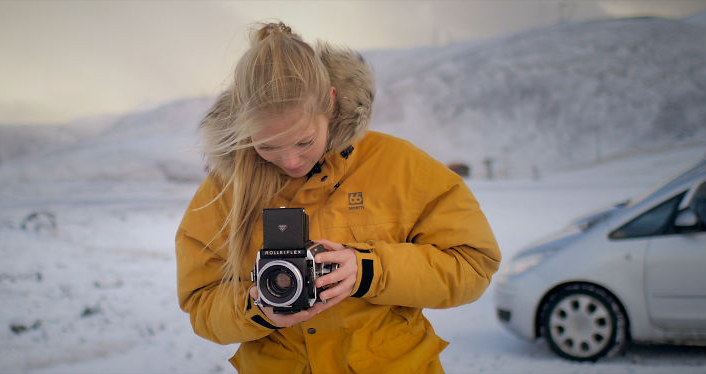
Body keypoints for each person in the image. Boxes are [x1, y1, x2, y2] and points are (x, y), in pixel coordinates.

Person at [176, 21, 500, 373]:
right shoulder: (224, 190)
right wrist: (258, 309)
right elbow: (202, 303)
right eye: (267, 146)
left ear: (329, 102)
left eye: (304, 141)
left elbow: (473, 264)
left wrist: (369, 271)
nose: (291, 161)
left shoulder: (399, 167)